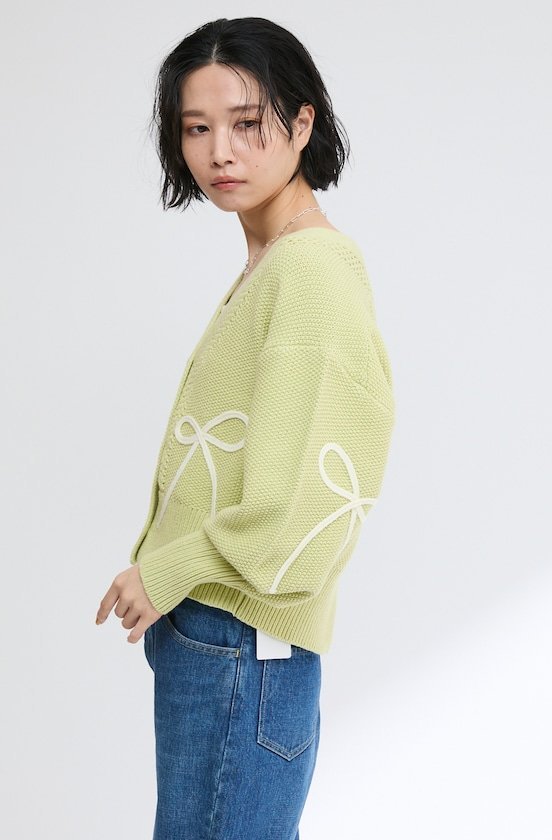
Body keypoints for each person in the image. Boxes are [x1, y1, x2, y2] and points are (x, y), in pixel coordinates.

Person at [96, 16, 396, 840]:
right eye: (196, 128)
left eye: (246, 122)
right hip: (222, 635)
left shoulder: (309, 269)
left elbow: (306, 498)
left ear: (301, 124)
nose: (219, 152)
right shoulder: (274, 262)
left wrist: (171, 568)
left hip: (240, 636)